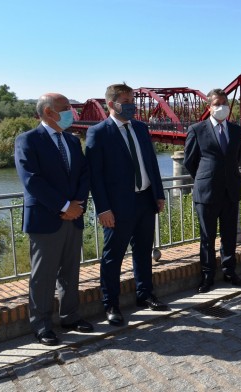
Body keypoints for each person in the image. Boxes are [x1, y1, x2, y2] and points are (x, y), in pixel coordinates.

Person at [14, 93, 94, 345]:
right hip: (46, 218)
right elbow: (31, 180)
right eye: (66, 108)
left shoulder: (71, 140)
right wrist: (63, 206)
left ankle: (70, 316)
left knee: (70, 271)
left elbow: (84, 173)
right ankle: (41, 324)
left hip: (73, 215)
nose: (71, 112)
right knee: (44, 275)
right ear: (48, 112)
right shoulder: (27, 140)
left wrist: (77, 204)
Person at [86, 83, 168, 327]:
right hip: (117, 206)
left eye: (133, 100)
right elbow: (95, 175)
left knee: (143, 251)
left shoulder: (141, 128)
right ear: (111, 104)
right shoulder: (98, 133)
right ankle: (111, 304)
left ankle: (145, 295)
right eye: (127, 100)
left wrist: (159, 194)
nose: (132, 105)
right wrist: (103, 209)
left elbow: (151, 163)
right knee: (113, 257)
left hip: (144, 199)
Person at [184, 89, 241, 292]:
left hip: (230, 191)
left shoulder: (236, 130)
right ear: (209, 107)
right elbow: (190, 162)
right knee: (207, 237)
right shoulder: (196, 129)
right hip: (207, 192)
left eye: (225, 103)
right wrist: (205, 179)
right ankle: (207, 275)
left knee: (229, 235)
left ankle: (229, 271)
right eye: (217, 103)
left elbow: (235, 158)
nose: (222, 107)